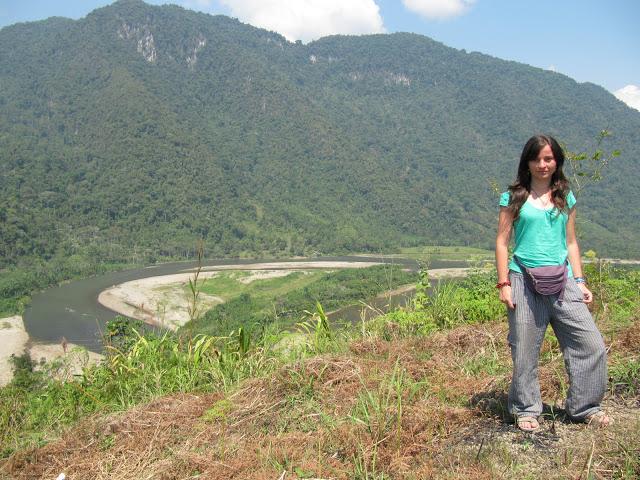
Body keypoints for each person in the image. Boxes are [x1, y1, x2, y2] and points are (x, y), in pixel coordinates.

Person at [495, 134, 610, 432]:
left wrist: (580, 280)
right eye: (537, 159)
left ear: (556, 161)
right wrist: (504, 283)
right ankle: (525, 409)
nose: (543, 165)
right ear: (527, 162)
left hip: (563, 280)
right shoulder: (514, 197)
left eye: (548, 158)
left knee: (590, 343)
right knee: (525, 348)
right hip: (523, 278)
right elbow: (502, 242)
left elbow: (571, 242)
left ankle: (585, 407)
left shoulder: (564, 196)